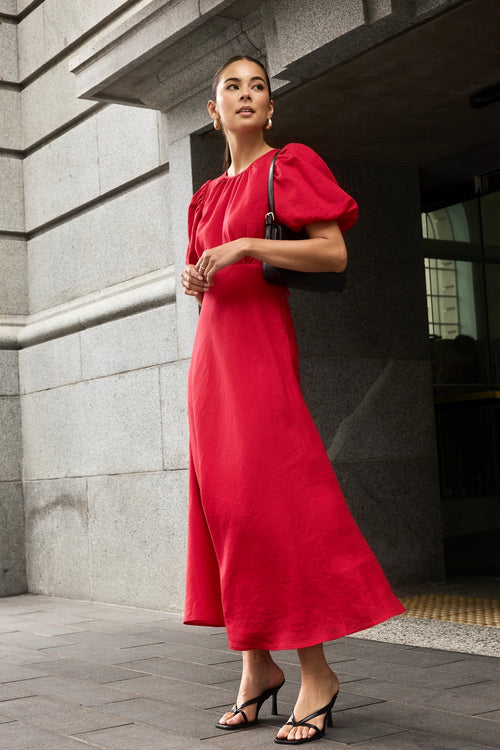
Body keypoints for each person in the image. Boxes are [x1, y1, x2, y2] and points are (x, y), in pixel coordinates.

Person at [181, 55, 405, 745]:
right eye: (232, 87)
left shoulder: (289, 165)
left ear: (270, 109)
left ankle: (317, 672)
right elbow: (207, 275)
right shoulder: (205, 196)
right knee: (227, 516)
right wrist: (197, 275)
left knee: (275, 509)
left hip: (259, 362)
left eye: (258, 87)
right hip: (210, 367)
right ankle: (256, 669)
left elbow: (333, 252)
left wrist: (246, 245)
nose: (246, 94)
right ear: (213, 110)